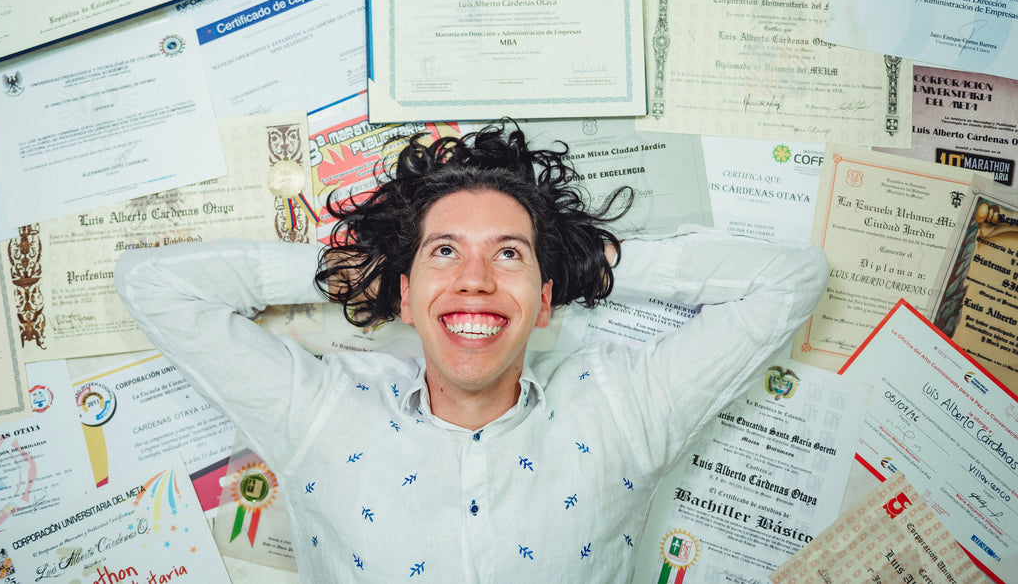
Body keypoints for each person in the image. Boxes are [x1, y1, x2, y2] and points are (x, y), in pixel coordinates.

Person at [115, 121, 828, 583]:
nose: (476, 280)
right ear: (401, 294)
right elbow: (153, 285)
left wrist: (581, 261)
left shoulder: (621, 412)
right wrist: (356, 272)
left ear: (547, 299)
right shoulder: (320, 417)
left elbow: (789, 280)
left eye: (508, 255)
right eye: (446, 251)